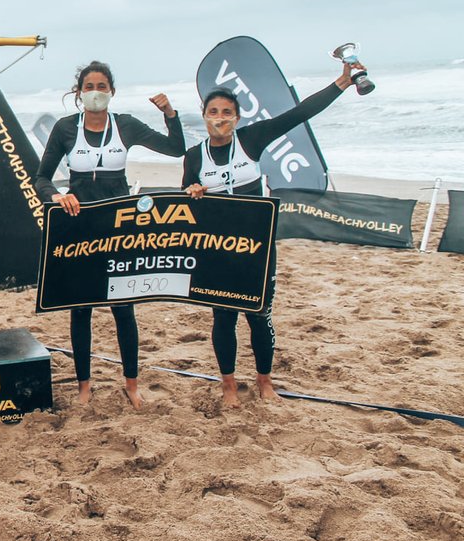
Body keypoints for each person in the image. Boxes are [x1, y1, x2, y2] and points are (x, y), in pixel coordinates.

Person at [183, 60, 364, 408]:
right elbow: (187, 204)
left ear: (237, 117)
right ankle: (229, 387)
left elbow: (298, 114)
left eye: (227, 112)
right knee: (223, 317)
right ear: (204, 116)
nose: (220, 117)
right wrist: (193, 193)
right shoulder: (194, 156)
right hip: (218, 248)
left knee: (258, 315)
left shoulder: (251, 139)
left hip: (257, 246)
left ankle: (265, 382)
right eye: (213, 111)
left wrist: (341, 83)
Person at [33, 61, 185, 408]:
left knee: (123, 307)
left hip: (118, 228)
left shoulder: (126, 125)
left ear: (112, 92)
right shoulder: (65, 128)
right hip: (79, 225)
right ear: (79, 92)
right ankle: (85, 385)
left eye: (101, 86)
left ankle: (131, 384)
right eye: (89, 86)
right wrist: (57, 196)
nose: (95, 92)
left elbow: (176, 150)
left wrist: (170, 114)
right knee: (81, 308)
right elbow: (40, 179)